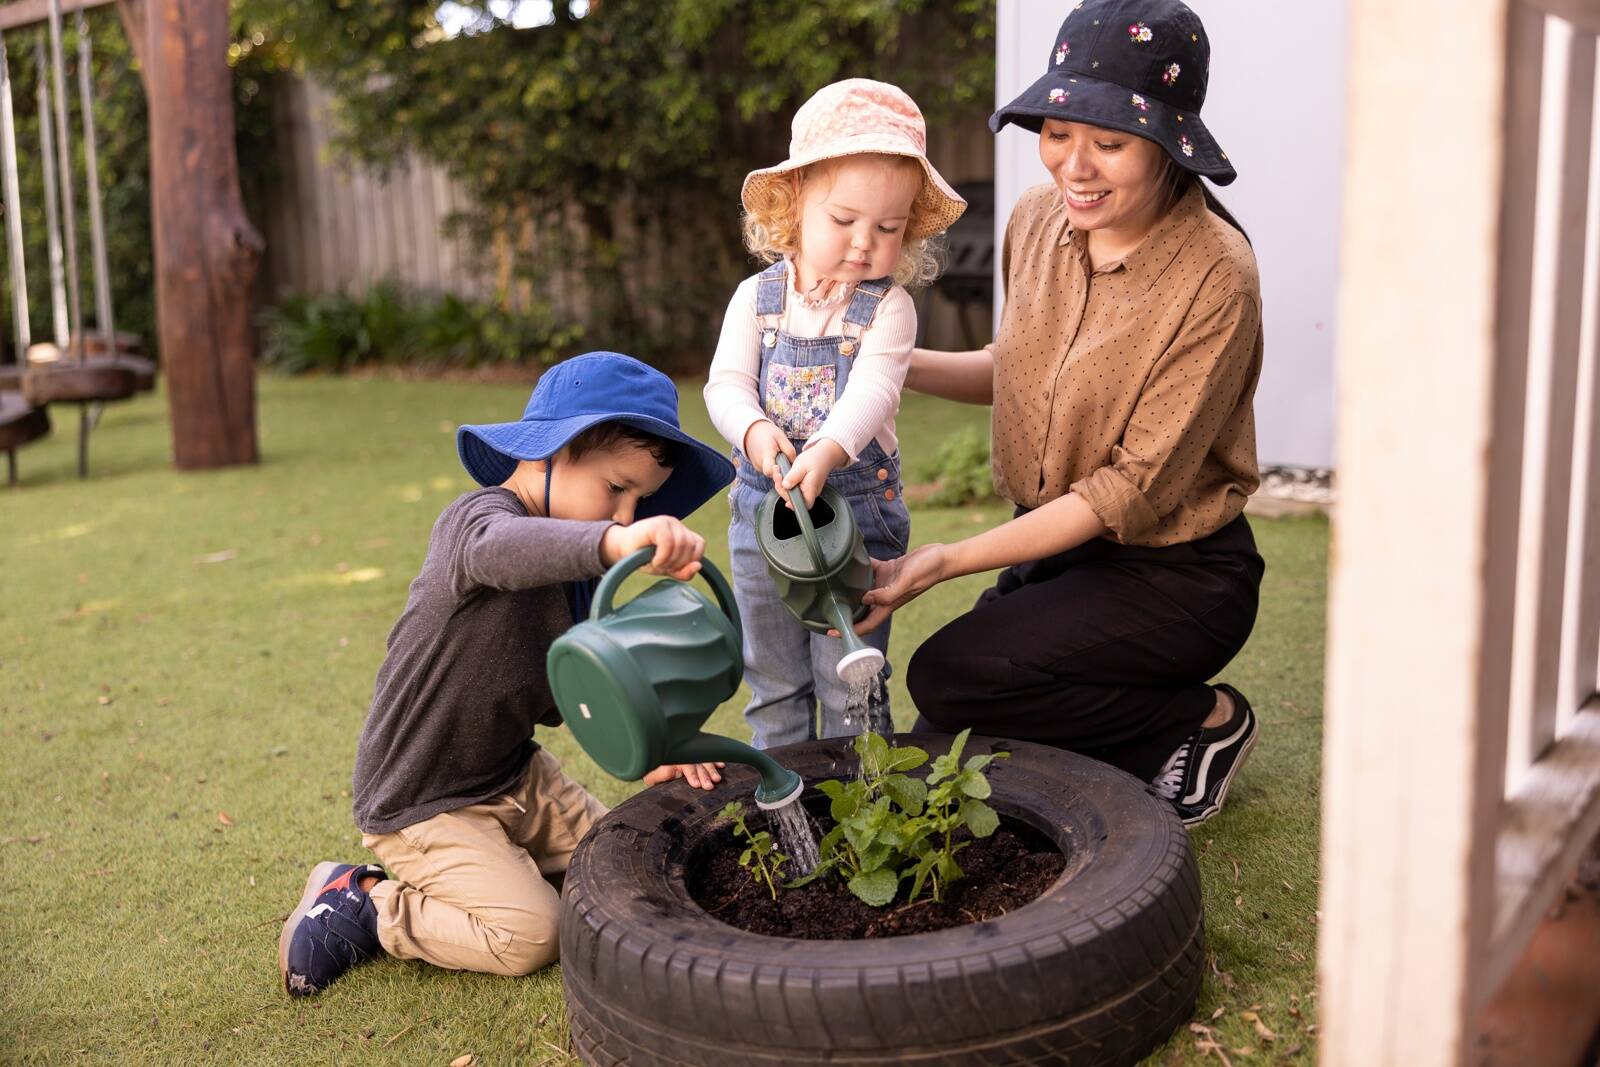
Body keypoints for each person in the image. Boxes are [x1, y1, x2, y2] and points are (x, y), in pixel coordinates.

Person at [859, 0, 1265, 825]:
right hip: (1058, 551)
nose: (1073, 166)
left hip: (1176, 573)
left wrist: (946, 560)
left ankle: (1202, 719)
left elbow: (1124, 491)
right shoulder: (1038, 220)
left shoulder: (1217, 276)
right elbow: (1020, 371)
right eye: (1056, 131)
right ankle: (1111, 715)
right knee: (946, 737)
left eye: (1109, 143)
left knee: (948, 676)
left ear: (1170, 142)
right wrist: (879, 369)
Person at [278, 352, 735, 996]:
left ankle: (508, 858)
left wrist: (653, 749)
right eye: (615, 489)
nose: (626, 516)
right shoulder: (475, 523)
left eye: (640, 501)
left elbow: (575, 691)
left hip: (515, 776)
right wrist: (610, 545)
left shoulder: (581, 578)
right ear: (549, 453)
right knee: (532, 934)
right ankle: (366, 903)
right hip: (424, 801)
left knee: (624, 871)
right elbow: (500, 554)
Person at [704, 78, 965, 748]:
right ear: (794, 206)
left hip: (854, 513)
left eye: (887, 227)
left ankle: (862, 812)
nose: (863, 243)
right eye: (844, 220)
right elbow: (725, 384)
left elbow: (873, 389)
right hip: (763, 514)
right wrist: (756, 429)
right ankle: (789, 807)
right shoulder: (755, 299)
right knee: (773, 679)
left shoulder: (887, 307)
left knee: (852, 679)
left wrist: (826, 449)